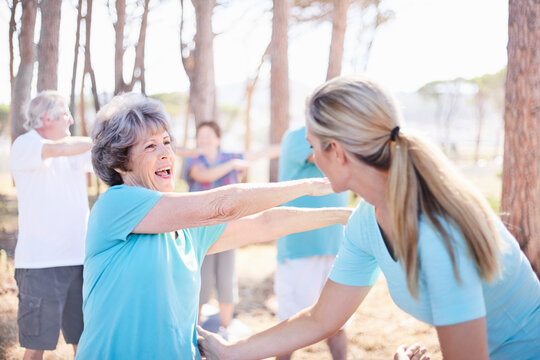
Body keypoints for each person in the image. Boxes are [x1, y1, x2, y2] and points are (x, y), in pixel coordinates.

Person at [198, 75, 540, 360]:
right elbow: (320, 319)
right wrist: (230, 351)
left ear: (338, 151)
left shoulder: (437, 231)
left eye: (314, 146)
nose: (313, 158)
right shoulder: (366, 220)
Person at [74, 93, 352, 359]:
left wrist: (342, 215)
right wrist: (310, 186)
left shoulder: (187, 227)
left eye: (167, 142)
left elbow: (265, 224)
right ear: (121, 163)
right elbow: (224, 204)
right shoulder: (116, 204)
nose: (165, 153)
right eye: (150, 146)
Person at [10, 91, 93, 360]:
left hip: (79, 260)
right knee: (37, 346)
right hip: (40, 265)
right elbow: (61, 149)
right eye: (64, 114)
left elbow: (102, 162)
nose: (70, 119)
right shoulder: (26, 145)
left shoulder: (75, 148)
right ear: (45, 118)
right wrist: (100, 140)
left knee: (86, 340)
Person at [184, 120, 280, 338]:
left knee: (227, 279)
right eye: (201, 136)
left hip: (229, 228)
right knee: (201, 281)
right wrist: (233, 165)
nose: (205, 140)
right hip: (201, 231)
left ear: (218, 139)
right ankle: (195, 333)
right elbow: (203, 175)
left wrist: (289, 145)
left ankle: (225, 331)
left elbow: (259, 154)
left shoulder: (229, 157)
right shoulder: (195, 160)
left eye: (209, 135)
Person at [274, 125, 349, 360]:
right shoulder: (299, 136)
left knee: (338, 323)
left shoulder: (341, 135)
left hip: (336, 244)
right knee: (290, 326)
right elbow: (334, 157)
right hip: (301, 247)